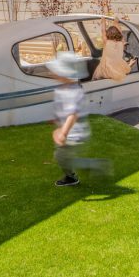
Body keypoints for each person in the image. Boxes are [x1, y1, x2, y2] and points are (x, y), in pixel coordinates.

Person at [47, 51, 92, 187]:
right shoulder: (63, 88)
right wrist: (56, 120)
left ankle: (77, 174)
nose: (53, 73)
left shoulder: (73, 91)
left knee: (61, 156)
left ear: (65, 74)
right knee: (62, 156)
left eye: (56, 71)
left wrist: (63, 133)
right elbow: (63, 109)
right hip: (69, 131)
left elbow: (73, 114)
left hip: (75, 133)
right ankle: (73, 173)